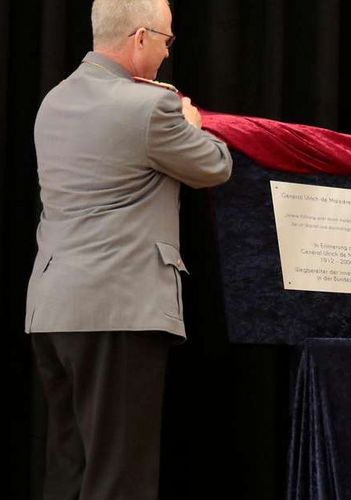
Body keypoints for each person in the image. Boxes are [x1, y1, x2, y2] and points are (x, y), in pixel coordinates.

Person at [25, 1, 233, 498]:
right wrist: (191, 120)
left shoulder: (52, 101)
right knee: (120, 480)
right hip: (119, 309)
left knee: (70, 473)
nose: (166, 52)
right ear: (140, 38)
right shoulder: (149, 107)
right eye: (165, 40)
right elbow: (214, 165)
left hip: (53, 311)